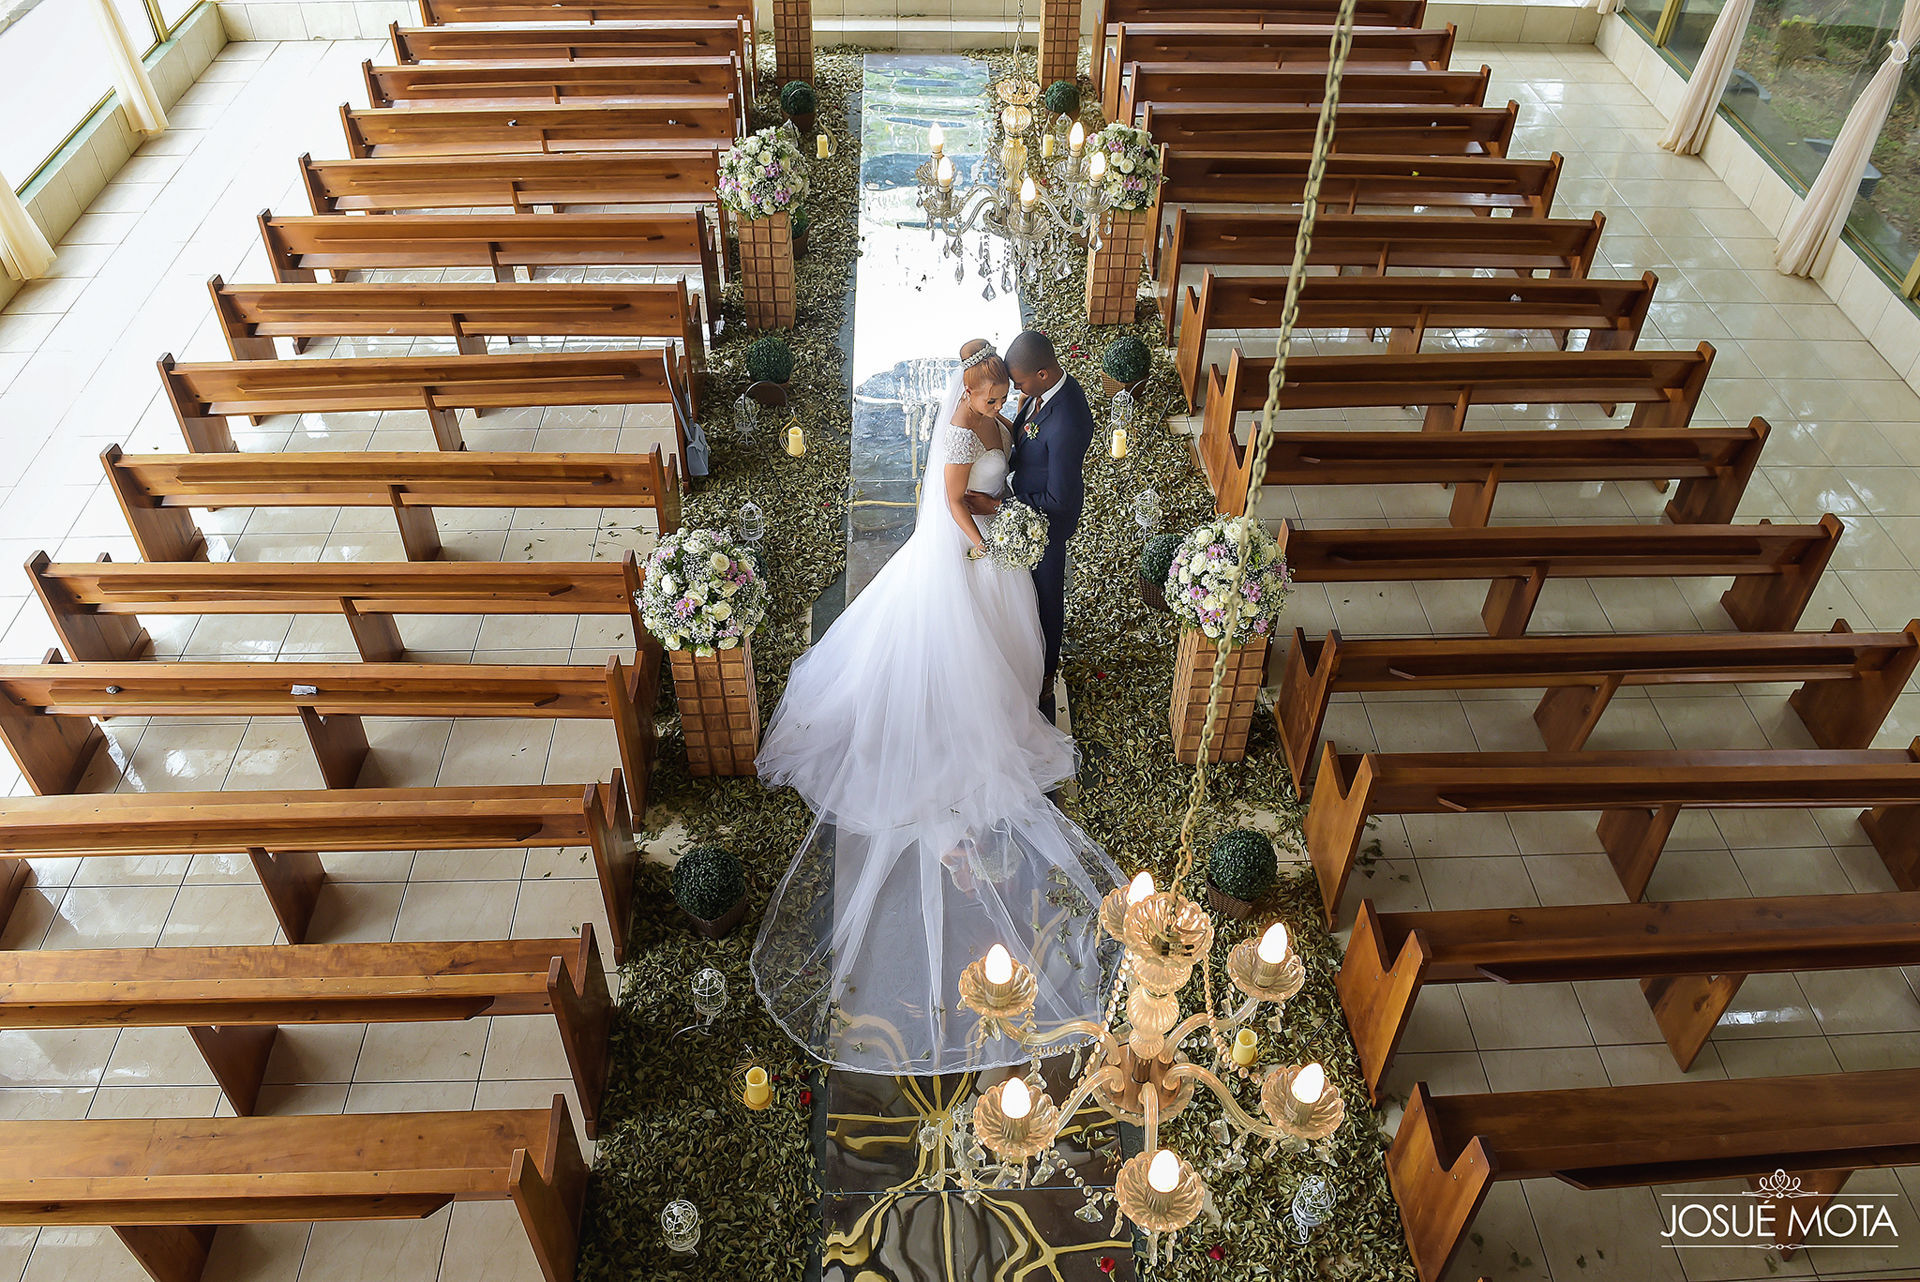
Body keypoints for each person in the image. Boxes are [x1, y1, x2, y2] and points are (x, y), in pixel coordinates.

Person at [751, 339, 1119, 1076]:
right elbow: (952, 502)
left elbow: (1009, 469)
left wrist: (1005, 522)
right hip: (963, 556)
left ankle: (1009, 702)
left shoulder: (1007, 411)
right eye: (989, 399)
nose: (997, 408)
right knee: (961, 653)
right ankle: (965, 719)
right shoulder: (957, 430)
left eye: (1001, 399)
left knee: (1008, 647)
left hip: (996, 548)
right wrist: (989, 542)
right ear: (971, 392)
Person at [1002, 331, 1096, 724]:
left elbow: (1059, 503)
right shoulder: (1043, 395)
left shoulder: (1067, 422)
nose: (1015, 389)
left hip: (1045, 528)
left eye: (1019, 383)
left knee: (1046, 601)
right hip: (1026, 504)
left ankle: (1043, 675)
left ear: (1042, 374)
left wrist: (1003, 501)